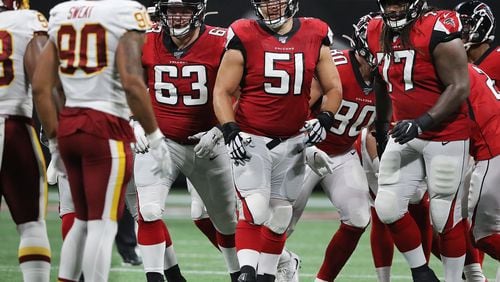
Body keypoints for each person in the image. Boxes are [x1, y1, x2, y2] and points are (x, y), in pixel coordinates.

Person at [32, 0, 171, 280]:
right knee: (103, 225)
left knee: (81, 222)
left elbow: (40, 87)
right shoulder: (124, 12)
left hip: (68, 124)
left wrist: (56, 142)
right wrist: (155, 135)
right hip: (105, 126)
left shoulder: (64, 12)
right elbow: (132, 82)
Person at [213, 0, 343, 280]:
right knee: (256, 208)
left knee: (281, 214)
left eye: (277, 0)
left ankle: (268, 276)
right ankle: (246, 272)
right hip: (251, 136)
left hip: (294, 139)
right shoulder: (243, 33)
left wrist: (326, 118)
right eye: (264, 1)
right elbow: (222, 90)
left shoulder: (315, 32)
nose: (270, 6)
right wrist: (230, 129)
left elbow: (333, 87)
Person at [133, 0, 240, 281]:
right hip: (162, 141)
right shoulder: (146, 38)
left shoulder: (221, 40)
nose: (177, 16)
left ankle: (236, 274)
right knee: (149, 209)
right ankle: (155, 277)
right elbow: (128, 84)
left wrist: (220, 129)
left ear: (199, 12)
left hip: (208, 143)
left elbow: (242, 90)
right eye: (171, 10)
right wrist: (134, 122)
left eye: (184, 10)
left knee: (227, 222)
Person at [367, 0, 472, 281]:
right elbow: (380, 78)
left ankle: (453, 278)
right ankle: (421, 271)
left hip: (445, 134)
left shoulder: (437, 27)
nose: (392, 10)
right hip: (405, 132)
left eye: (399, 3)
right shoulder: (375, 29)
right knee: (387, 206)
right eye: (388, 4)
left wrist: (422, 122)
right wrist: (380, 124)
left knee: (442, 214)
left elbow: (459, 86)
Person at [279, 13, 377, 282]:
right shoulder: (337, 66)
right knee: (278, 227)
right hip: (304, 150)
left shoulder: (389, 75)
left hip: (342, 153)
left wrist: (380, 165)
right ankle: (285, 262)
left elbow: (380, 127)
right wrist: (303, 144)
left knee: (358, 217)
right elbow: (296, 108)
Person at [0, 1, 51, 281]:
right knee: (31, 224)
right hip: (12, 126)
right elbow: (44, 83)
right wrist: (55, 135)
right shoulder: (26, 20)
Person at [455, 0, 499, 88]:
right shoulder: (454, 65)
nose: (458, 30)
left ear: (483, 28)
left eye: (465, 26)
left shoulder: (497, 58)